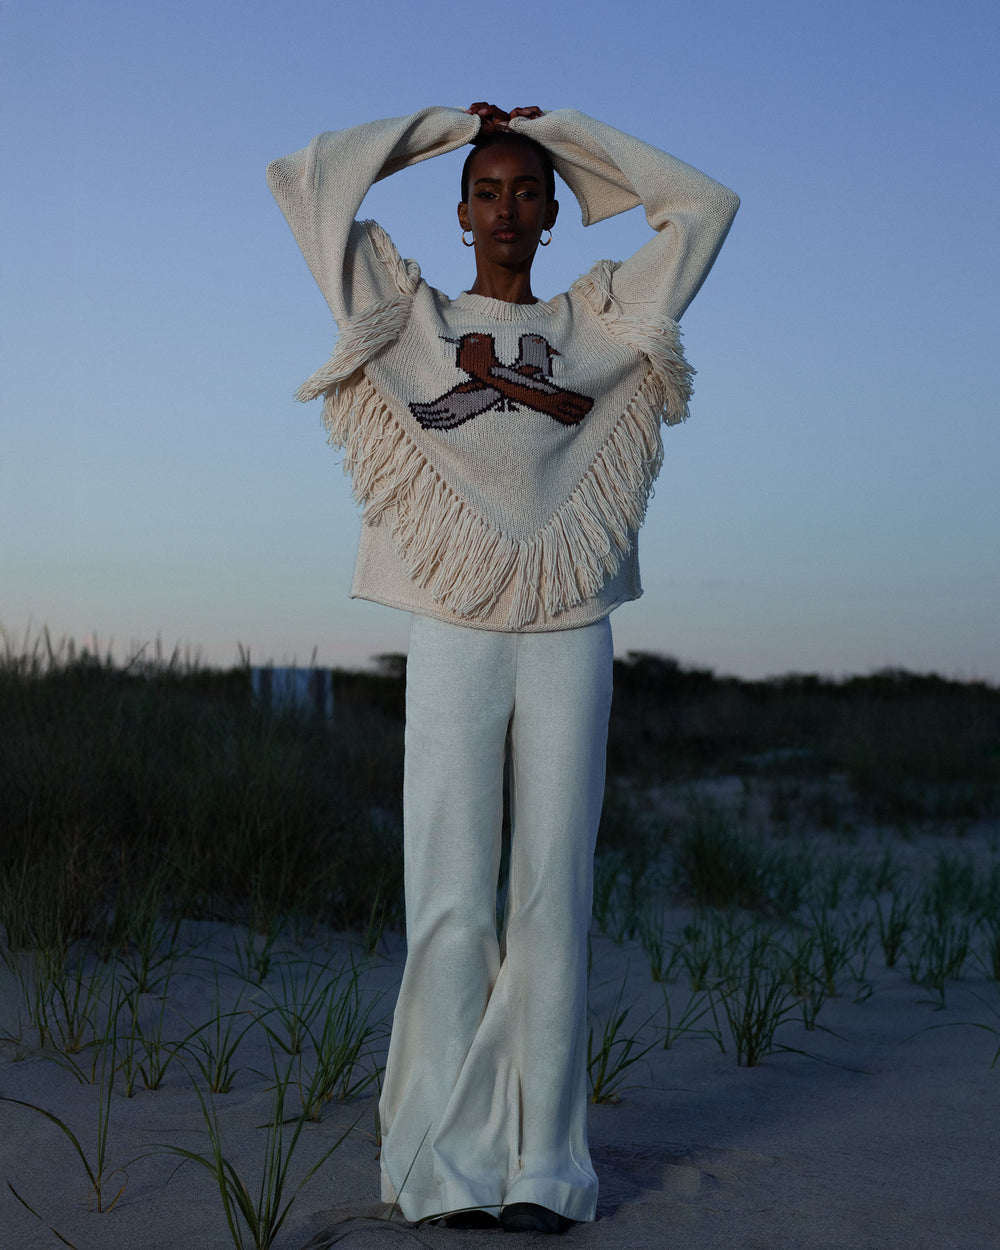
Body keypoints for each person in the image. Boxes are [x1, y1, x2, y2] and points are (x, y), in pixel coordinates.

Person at [268, 101, 738, 1234]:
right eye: (488, 189)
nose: (510, 210)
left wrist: (571, 133)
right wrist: (442, 126)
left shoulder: (603, 318)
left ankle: (543, 1165)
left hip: (572, 619)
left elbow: (704, 209)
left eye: (532, 190)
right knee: (447, 897)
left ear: (553, 210)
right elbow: (308, 180)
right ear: (461, 206)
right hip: (452, 620)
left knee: (549, 895)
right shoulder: (410, 316)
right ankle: (440, 1165)